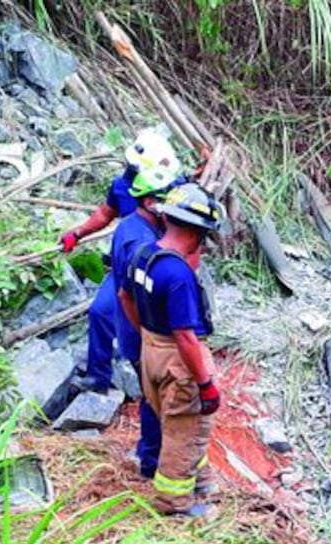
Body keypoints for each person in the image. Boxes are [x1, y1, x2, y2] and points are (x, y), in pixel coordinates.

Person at [119, 183, 224, 516]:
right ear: (196, 233)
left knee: (185, 425)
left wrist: (147, 335)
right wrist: (205, 384)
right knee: (184, 429)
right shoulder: (178, 274)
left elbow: (124, 297)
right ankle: (174, 504)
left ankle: (200, 480)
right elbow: (185, 337)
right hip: (178, 360)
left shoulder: (143, 255)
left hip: (151, 350)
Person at [59, 127, 179, 393]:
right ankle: (98, 377)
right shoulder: (124, 185)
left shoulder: (174, 189)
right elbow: (106, 213)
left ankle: (159, 383)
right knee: (100, 312)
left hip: (158, 270)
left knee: (152, 329)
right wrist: (77, 233)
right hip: (126, 268)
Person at [109, 162, 183, 478]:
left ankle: (149, 452)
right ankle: (152, 461)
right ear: (150, 202)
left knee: (152, 393)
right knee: (155, 397)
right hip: (142, 333)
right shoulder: (139, 245)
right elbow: (134, 296)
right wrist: (152, 337)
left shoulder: (131, 227)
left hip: (135, 330)